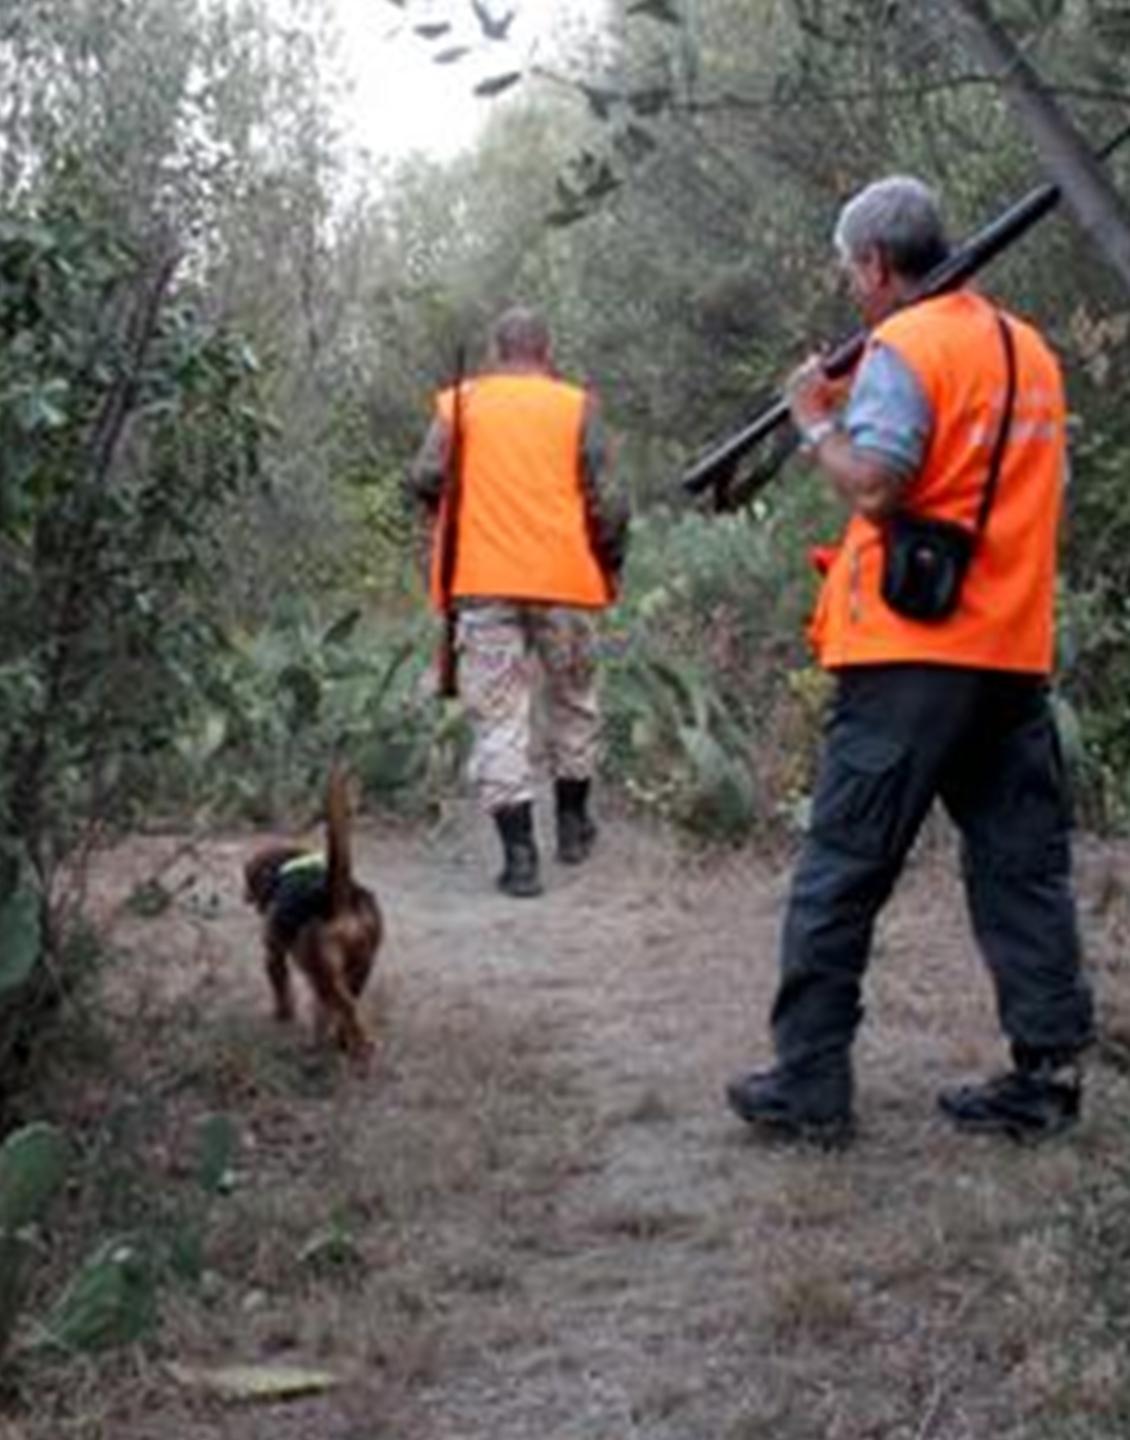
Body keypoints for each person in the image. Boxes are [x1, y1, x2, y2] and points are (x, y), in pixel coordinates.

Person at [726, 176, 1094, 1144]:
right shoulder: (1025, 348)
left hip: (907, 656)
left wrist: (813, 419)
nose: (851, 288)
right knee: (1021, 871)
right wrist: (860, 395)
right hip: (1008, 651)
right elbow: (979, 459)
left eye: (851, 270)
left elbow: (879, 483)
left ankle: (807, 1087)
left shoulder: (904, 345)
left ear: (877, 265)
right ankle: (1044, 1078)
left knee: (840, 869)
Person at [408, 306, 628, 898]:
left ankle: (521, 858)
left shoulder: (462, 404)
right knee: (574, 701)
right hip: (566, 581)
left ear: (495, 351)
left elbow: (424, 477)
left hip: (482, 581)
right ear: (546, 350)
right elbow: (610, 501)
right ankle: (575, 827)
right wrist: (612, 563)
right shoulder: (576, 406)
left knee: (499, 716)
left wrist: (463, 492)